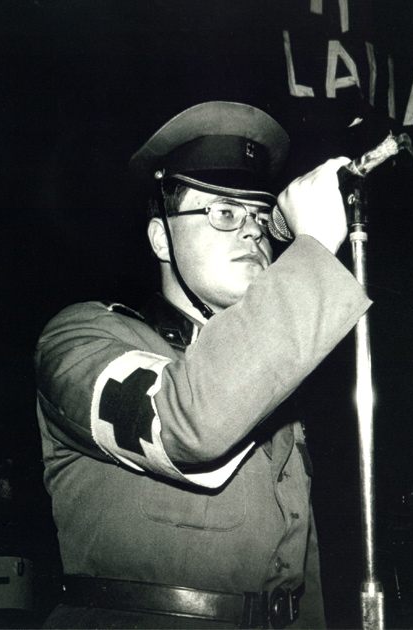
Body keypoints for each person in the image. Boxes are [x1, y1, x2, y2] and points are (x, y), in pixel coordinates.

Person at [35, 101, 371, 628]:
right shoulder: (81, 336)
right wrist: (310, 253)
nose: (252, 232)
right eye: (224, 213)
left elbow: (296, 577)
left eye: (259, 217)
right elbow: (188, 424)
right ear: (161, 238)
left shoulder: (273, 373)